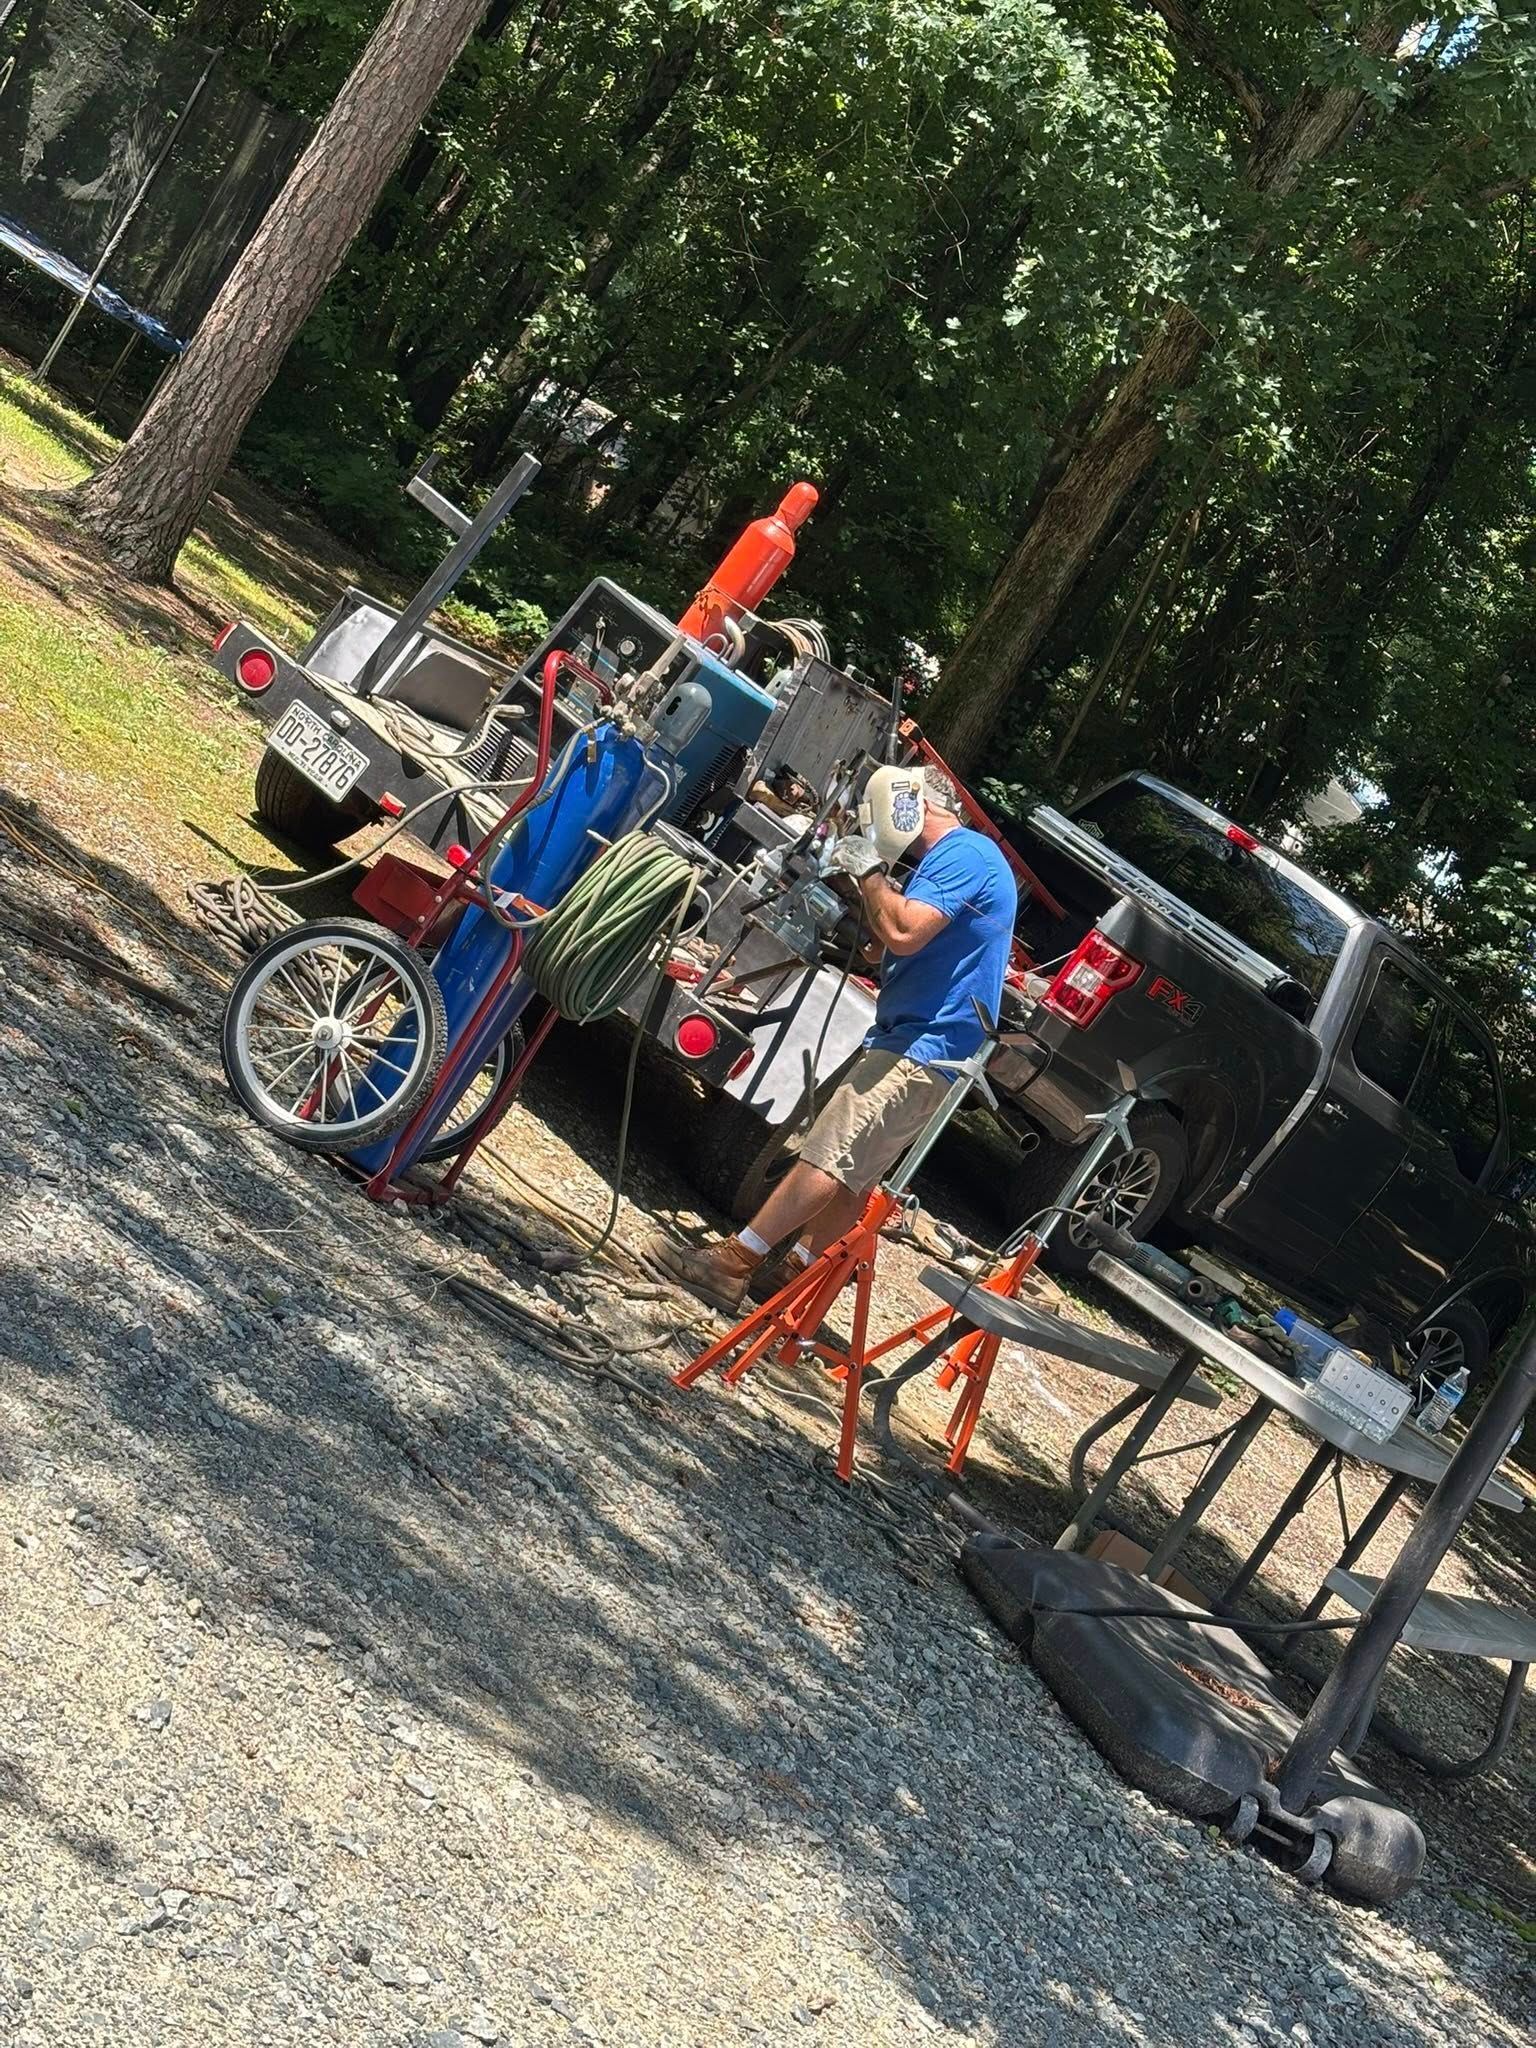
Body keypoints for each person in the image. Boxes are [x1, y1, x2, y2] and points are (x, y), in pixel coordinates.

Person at [650, 765, 1018, 1312]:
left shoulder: (965, 852)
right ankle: (792, 1286)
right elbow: (878, 949)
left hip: (925, 1044)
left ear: (905, 802)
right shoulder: (949, 862)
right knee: (853, 1176)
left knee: (830, 1152)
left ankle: (732, 1266)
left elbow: (902, 932)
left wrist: (870, 873)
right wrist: (864, 889)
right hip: (927, 1044)